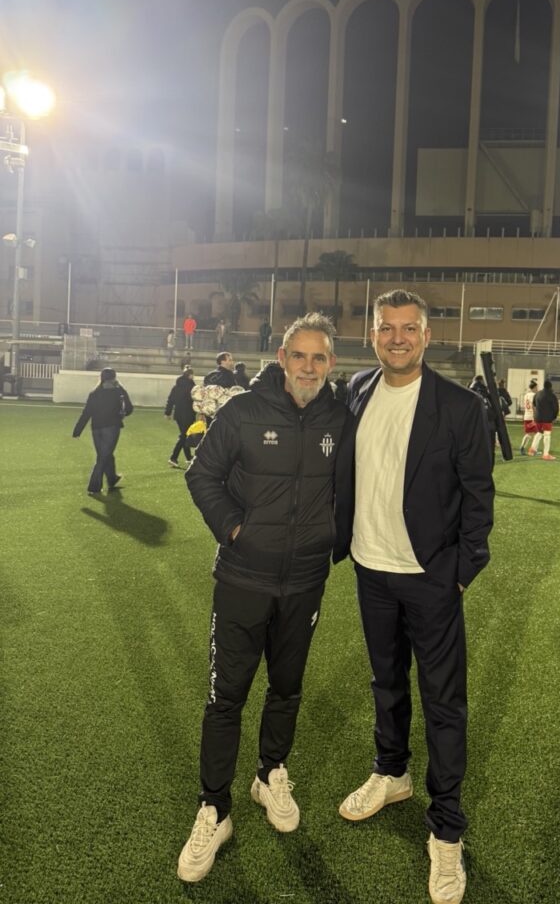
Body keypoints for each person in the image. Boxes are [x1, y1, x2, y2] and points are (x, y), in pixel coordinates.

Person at [177, 313, 349, 884]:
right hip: (243, 579)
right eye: (299, 356)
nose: (308, 367)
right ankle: (214, 808)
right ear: (282, 357)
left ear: (330, 364)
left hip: (305, 582)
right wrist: (234, 530)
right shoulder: (244, 410)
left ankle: (270, 773)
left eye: (319, 358)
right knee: (226, 698)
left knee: (287, 688)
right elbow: (201, 476)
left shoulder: (338, 415)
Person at [334, 289, 493, 904]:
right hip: (370, 571)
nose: (396, 338)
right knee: (386, 683)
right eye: (386, 328)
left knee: (444, 701)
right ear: (373, 335)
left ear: (427, 336)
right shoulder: (357, 389)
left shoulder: (458, 405)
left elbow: (478, 496)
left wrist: (459, 570)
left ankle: (446, 829)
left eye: (408, 328)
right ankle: (391, 772)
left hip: (431, 577)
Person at [72, 368, 134, 495]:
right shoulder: (118, 392)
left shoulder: (94, 393)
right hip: (111, 427)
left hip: (96, 428)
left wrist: (77, 430)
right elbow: (129, 408)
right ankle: (94, 486)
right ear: (114, 378)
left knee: (105, 454)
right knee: (103, 456)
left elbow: (86, 413)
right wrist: (122, 392)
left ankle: (112, 479)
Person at [165, 366, 196, 469]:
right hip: (188, 414)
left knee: (185, 435)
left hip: (178, 414)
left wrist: (168, 412)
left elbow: (170, 400)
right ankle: (173, 457)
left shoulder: (176, 387)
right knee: (184, 436)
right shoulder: (192, 387)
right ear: (190, 376)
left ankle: (188, 457)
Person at [528, 378, 559, 460]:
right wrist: (554, 417)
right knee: (547, 435)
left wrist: (536, 416)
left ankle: (532, 449)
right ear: (550, 386)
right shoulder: (552, 395)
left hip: (538, 418)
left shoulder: (537, 394)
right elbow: (556, 408)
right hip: (547, 419)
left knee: (539, 433)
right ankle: (546, 454)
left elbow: (534, 405)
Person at [519, 378, 538, 455]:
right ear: (534, 387)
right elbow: (534, 406)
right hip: (532, 417)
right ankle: (532, 449)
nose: (537, 389)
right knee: (537, 433)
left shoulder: (526, 395)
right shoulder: (534, 395)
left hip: (527, 416)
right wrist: (536, 416)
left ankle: (524, 448)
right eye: (537, 387)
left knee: (531, 433)